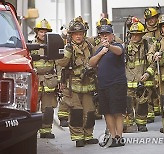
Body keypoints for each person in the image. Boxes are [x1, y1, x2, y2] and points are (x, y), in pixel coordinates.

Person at [57, 16, 98, 147]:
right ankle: (78, 137)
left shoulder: (90, 46)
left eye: (80, 34)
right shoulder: (68, 47)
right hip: (73, 85)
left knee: (90, 112)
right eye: (75, 34)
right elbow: (61, 63)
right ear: (71, 36)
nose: (78, 36)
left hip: (88, 84)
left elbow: (97, 61)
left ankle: (88, 135)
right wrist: (67, 53)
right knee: (76, 112)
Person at [89, 25, 127, 147]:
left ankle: (119, 137)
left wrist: (109, 47)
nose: (104, 36)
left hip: (116, 84)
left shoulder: (117, 46)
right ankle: (112, 136)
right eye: (102, 35)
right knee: (107, 112)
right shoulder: (100, 49)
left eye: (107, 34)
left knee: (117, 111)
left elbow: (119, 52)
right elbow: (91, 63)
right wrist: (102, 52)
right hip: (103, 85)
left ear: (112, 36)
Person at [31, 19, 60, 138]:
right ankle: (31, 131)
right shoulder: (30, 45)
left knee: (48, 108)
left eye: (46, 32)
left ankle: (46, 131)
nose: (43, 34)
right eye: (41, 31)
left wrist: (59, 79)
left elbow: (58, 64)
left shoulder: (53, 46)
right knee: (32, 108)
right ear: (37, 32)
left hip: (49, 80)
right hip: (35, 79)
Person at [143, 7, 161, 121]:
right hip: (148, 63)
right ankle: (150, 112)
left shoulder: (163, 29)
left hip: (161, 63)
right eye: (148, 19)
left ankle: (162, 108)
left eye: (152, 18)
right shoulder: (143, 32)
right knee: (148, 87)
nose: (150, 21)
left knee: (161, 88)